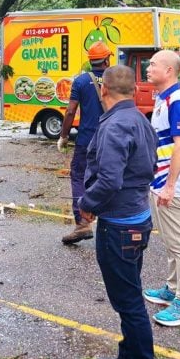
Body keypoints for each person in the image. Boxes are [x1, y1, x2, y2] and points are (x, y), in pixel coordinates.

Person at [79, 65, 161, 359]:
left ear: (103, 91)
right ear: (134, 91)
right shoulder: (141, 120)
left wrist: (87, 205)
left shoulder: (114, 126)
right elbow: (152, 166)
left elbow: (109, 180)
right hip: (137, 219)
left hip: (119, 226)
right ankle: (128, 357)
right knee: (130, 295)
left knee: (129, 304)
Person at [143, 49, 180, 326]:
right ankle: (173, 288)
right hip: (160, 182)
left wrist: (170, 185)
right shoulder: (163, 99)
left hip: (171, 186)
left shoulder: (177, 101)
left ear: (168, 71)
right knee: (170, 241)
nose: (148, 68)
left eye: (153, 64)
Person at [57, 41, 111, 244]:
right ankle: (110, 224)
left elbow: (70, 111)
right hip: (111, 139)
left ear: (90, 61)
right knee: (109, 178)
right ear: (107, 60)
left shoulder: (80, 81)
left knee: (79, 177)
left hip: (87, 140)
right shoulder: (115, 79)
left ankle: (82, 224)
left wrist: (63, 136)